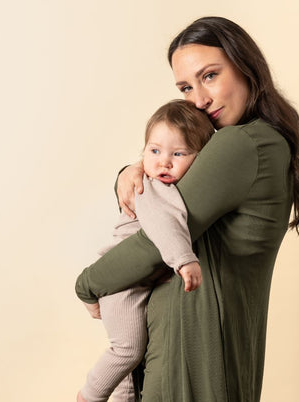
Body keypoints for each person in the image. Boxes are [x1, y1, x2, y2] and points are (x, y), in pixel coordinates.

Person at [76, 16, 299, 401]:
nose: (199, 100)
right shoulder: (261, 143)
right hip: (205, 346)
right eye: (186, 87)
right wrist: (133, 170)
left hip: (189, 349)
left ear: (245, 65)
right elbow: (168, 186)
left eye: (209, 76)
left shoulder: (241, 144)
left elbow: (157, 238)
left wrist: (88, 284)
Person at [77, 100, 216, 402]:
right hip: (122, 282)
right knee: (127, 349)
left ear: (200, 158)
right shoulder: (151, 187)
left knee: (131, 364)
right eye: (154, 151)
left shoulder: (170, 187)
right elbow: (162, 225)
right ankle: (90, 395)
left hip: (134, 282)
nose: (164, 162)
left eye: (178, 154)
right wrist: (184, 260)